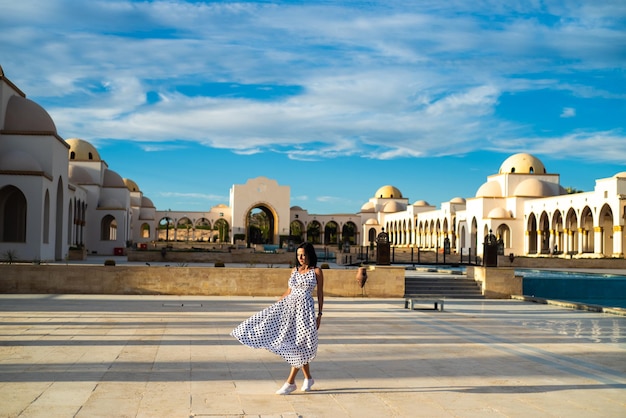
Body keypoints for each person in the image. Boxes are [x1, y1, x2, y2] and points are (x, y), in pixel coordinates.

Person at [230, 242, 324, 395]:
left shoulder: (317, 271)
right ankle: (308, 378)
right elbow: (289, 291)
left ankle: (290, 382)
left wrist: (319, 315)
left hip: (305, 313)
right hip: (289, 311)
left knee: (300, 345)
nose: (300, 257)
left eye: (303, 254)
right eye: (298, 254)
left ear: (310, 255)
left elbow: (320, 294)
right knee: (296, 344)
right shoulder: (295, 271)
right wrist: (275, 306)